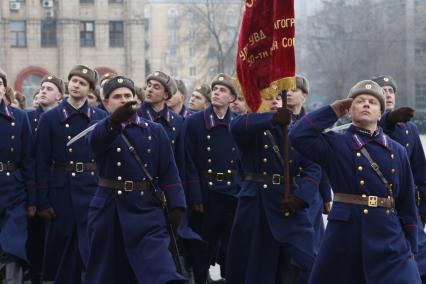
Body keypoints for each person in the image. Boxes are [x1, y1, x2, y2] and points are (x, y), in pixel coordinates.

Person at [289, 80, 421, 283]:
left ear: (380, 114)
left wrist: (411, 244)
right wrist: (333, 110)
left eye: (372, 102)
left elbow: (406, 203)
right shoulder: (335, 142)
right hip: (346, 233)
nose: (366, 104)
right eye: (359, 101)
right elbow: (298, 136)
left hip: (388, 235)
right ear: (349, 111)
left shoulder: (398, 151)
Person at [86, 76, 186, 284]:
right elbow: (97, 141)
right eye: (117, 97)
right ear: (106, 103)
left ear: (136, 100)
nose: (123, 100)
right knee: (109, 273)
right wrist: (114, 121)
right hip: (111, 208)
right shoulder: (99, 128)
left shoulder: (155, 130)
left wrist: (177, 206)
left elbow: (169, 171)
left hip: (147, 209)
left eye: (127, 96)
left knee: (160, 270)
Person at [226, 91, 321, 284]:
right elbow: (236, 126)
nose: (275, 101)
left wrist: (301, 197)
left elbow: (313, 167)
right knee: (256, 266)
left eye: (279, 97)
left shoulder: (296, 130)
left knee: (308, 260)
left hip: (289, 204)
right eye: (269, 98)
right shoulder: (252, 127)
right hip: (257, 203)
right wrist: (273, 119)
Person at [35, 65, 107, 284]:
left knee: (91, 245)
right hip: (61, 189)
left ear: (90, 90)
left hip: (91, 187)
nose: (76, 85)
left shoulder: (100, 117)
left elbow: (105, 159)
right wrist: (42, 200)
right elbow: (41, 161)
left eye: (82, 83)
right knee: (62, 244)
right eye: (73, 81)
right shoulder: (50, 119)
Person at [182, 73, 241, 283]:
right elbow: (187, 161)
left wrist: (241, 188)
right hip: (206, 193)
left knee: (233, 246)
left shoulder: (238, 122)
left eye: (223, 90)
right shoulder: (195, 122)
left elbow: (243, 160)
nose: (216, 92)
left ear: (232, 98)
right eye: (214, 89)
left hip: (233, 192)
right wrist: (194, 195)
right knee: (202, 247)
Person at [372, 75, 426, 282]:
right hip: (381, 206)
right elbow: (381, 126)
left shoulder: (410, 128)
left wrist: (423, 205)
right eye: (383, 91)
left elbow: (419, 168)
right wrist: (389, 119)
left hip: (408, 206)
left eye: (391, 91)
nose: (388, 94)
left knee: (420, 256)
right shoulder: (369, 124)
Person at [287, 75, 332, 252]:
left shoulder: (313, 123)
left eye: (294, 90)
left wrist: (326, 196)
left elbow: (321, 161)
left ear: (304, 95)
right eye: (286, 91)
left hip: (311, 190)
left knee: (313, 242)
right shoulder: (276, 120)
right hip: (287, 186)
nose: (289, 94)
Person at [0, 68, 36, 283]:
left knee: (13, 243)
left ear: (4, 88)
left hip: (13, 186)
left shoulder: (19, 117)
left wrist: (33, 198)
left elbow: (28, 160)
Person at [137, 71, 183, 152]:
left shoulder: (177, 120)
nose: (150, 90)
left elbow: (179, 158)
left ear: (166, 95)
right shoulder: (135, 115)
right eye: (149, 85)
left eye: (156, 87)